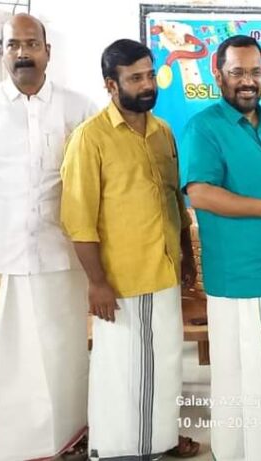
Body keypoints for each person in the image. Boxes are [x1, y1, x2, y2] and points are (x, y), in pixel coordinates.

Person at [0, 14, 95, 460]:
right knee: (2, 353)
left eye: (31, 44)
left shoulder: (79, 107)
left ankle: (66, 436)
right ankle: (1, 443)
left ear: (47, 51)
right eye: (13, 44)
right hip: (4, 251)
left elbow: (88, 178)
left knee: (61, 349)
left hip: (61, 250)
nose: (22, 53)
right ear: (3, 51)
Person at [61, 38, 201, 460]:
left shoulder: (163, 132)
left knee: (166, 363)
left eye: (149, 75)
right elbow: (78, 219)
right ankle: (117, 449)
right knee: (122, 369)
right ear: (111, 84)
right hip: (121, 281)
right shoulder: (90, 138)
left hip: (165, 271)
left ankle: (160, 439)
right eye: (135, 78)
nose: (147, 85)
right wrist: (97, 283)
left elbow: (174, 201)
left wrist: (186, 255)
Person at [179, 34, 261, 461]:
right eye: (237, 72)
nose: (248, 81)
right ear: (218, 75)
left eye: (255, 71)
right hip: (255, 276)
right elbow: (200, 193)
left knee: (242, 383)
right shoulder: (205, 127)